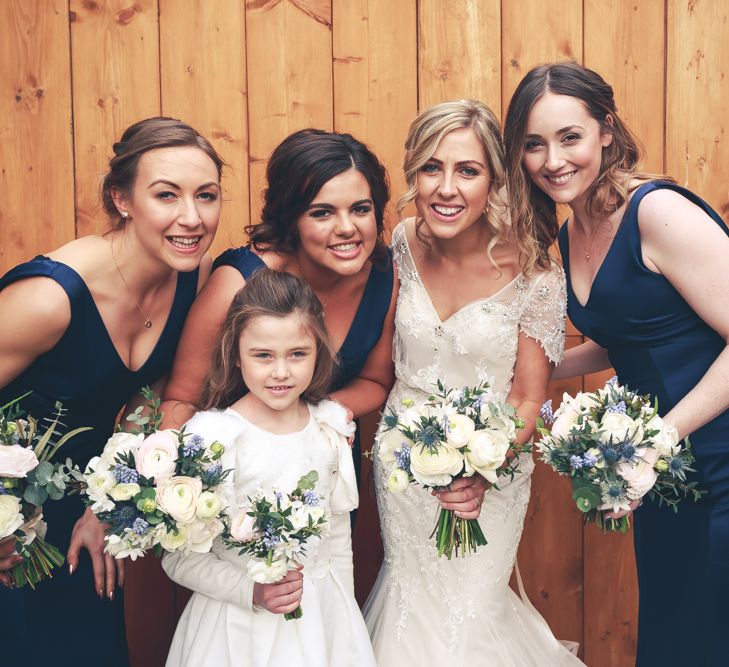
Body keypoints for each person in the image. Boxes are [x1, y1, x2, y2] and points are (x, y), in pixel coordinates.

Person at [504, 60, 729, 667]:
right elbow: (631, 335)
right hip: (664, 474)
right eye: (533, 144)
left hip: (716, 460)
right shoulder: (573, 231)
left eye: (568, 137)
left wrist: (658, 438)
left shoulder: (656, 213)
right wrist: (530, 371)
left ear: (606, 130)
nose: (552, 160)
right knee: (675, 632)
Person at [363, 99, 582, 665]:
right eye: (431, 168)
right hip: (403, 468)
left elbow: (528, 397)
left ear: (495, 180)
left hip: (493, 471)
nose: (446, 188)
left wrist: (485, 470)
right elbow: (382, 367)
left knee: (470, 613)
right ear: (414, 173)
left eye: (467, 170)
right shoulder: (401, 244)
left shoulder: (535, 266)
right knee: (413, 601)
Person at [0, 117, 224, 666]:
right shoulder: (52, 298)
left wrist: (109, 503)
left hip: (80, 519)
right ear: (121, 198)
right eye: (166, 195)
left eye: (207, 195)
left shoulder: (189, 279)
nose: (191, 218)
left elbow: (149, 393)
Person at [162, 269, 376, 667]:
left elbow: (336, 539)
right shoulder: (213, 438)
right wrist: (252, 591)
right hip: (236, 629)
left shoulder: (328, 428)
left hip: (319, 624)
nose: (281, 372)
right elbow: (179, 558)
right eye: (263, 356)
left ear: (319, 350)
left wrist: (342, 623)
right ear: (236, 356)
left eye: (297, 354)